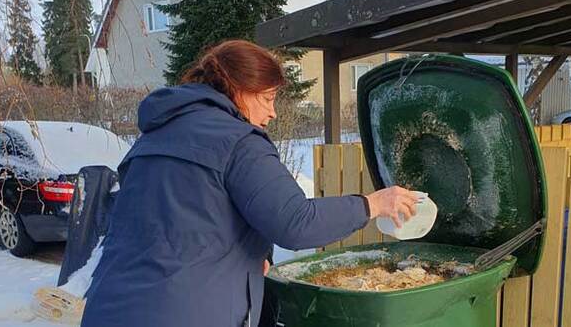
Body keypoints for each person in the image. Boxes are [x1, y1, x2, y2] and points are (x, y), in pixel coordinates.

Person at [80, 40, 419, 327]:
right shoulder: (238, 140)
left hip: (107, 307)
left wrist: (254, 253)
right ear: (239, 89)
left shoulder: (154, 136)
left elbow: (187, 220)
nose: (272, 113)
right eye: (268, 98)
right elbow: (296, 223)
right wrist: (372, 204)